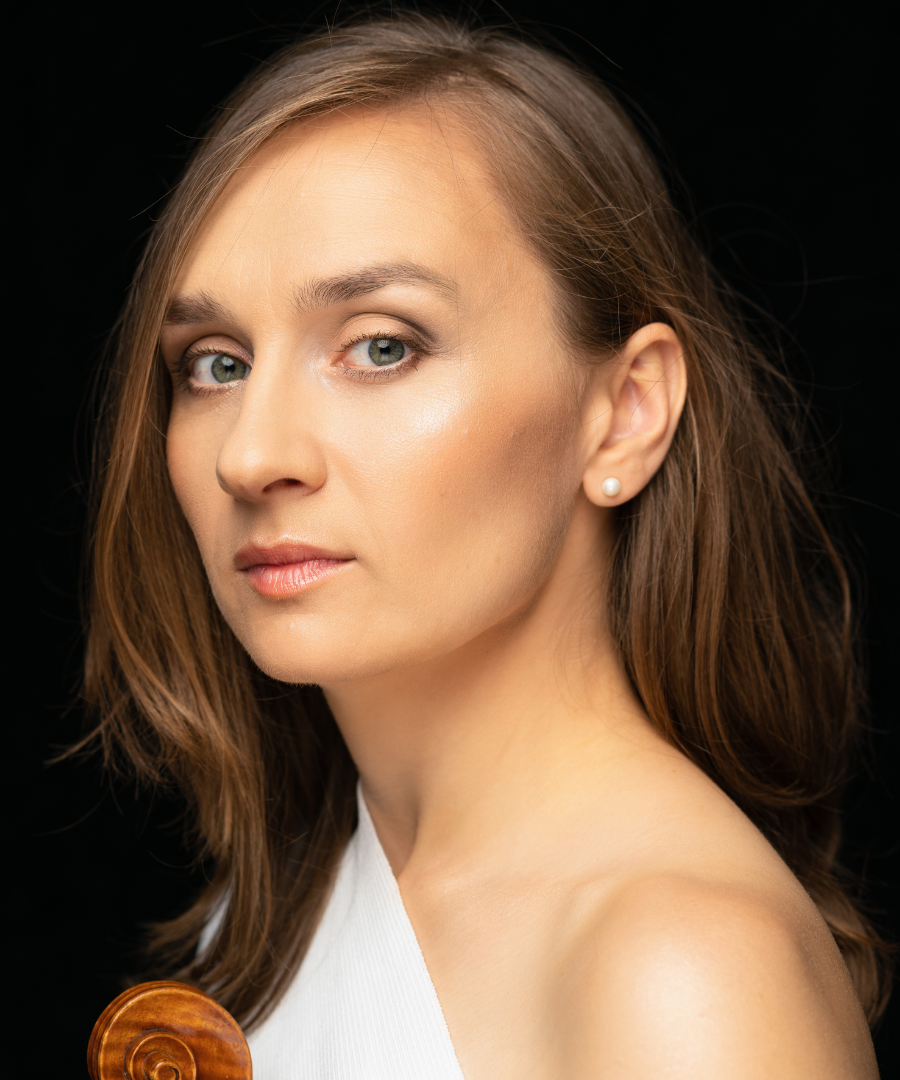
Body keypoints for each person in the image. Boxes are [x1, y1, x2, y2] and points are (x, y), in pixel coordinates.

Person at [82, 12, 888, 1078]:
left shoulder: (683, 972)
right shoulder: (279, 912)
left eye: (381, 346)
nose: (253, 455)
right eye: (216, 363)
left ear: (625, 414)